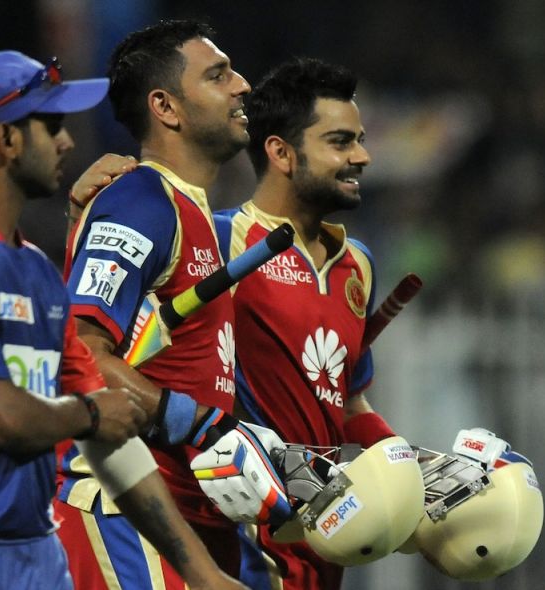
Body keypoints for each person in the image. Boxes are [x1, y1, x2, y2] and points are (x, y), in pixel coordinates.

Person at [0, 50, 246, 590]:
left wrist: (201, 572)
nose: (67, 141)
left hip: (36, 550)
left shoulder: (36, 272)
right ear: (7, 139)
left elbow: (110, 433)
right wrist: (91, 414)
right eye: (50, 126)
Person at [56, 19, 289, 589]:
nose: (242, 86)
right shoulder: (141, 201)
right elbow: (81, 355)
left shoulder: (193, 214)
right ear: (165, 107)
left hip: (183, 516)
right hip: (121, 512)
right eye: (218, 75)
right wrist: (193, 421)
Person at [214, 57, 399, 590]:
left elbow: (349, 401)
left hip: (326, 539)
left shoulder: (358, 263)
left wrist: (408, 466)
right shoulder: (219, 242)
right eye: (340, 142)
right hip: (243, 541)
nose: (362, 157)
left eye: (360, 140)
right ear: (281, 152)